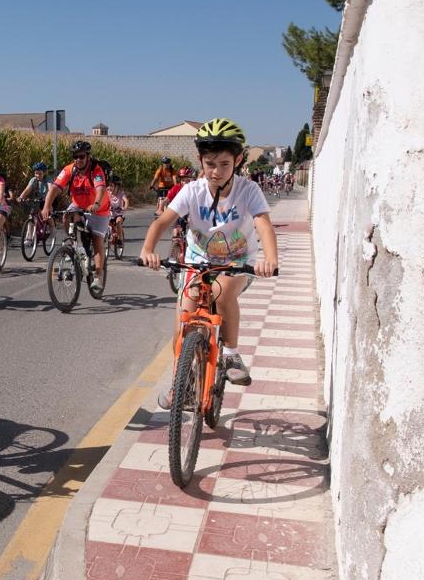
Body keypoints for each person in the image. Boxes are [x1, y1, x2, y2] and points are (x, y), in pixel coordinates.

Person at [139, 119, 279, 397]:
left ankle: (231, 353)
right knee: (183, 321)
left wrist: (270, 259)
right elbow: (162, 222)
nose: (216, 172)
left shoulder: (248, 190)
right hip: (197, 260)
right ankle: (182, 381)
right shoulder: (192, 190)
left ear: (238, 160)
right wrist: (147, 249)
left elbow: (263, 223)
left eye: (224, 164)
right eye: (209, 164)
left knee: (221, 293)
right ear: (200, 160)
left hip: (237, 262)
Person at [43, 140, 109, 294]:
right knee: (66, 216)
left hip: (99, 209)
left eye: (81, 156)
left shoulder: (96, 170)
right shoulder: (69, 170)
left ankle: (98, 276)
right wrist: (47, 206)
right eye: (75, 157)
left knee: (97, 240)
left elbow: (100, 189)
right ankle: (74, 247)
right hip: (78, 205)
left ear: (88, 156)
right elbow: (54, 188)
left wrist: (97, 204)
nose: (78, 160)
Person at [107, 174, 130, 247]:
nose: (110, 187)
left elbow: (126, 201)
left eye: (112, 186)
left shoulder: (120, 194)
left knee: (118, 222)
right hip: (109, 214)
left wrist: (124, 207)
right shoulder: (107, 193)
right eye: (109, 185)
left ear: (117, 186)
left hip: (118, 214)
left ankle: (120, 239)